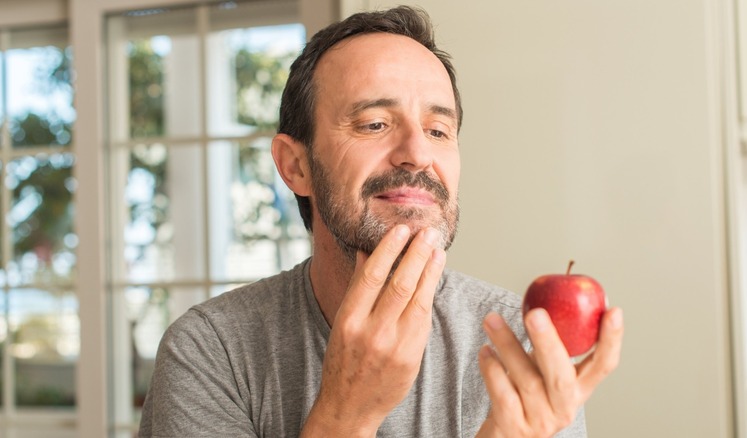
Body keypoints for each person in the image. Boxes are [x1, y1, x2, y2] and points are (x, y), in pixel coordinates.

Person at [138, 5, 624, 437]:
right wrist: (345, 414)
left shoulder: (518, 341)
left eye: (438, 130)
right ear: (296, 166)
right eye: (374, 124)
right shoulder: (208, 352)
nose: (417, 154)